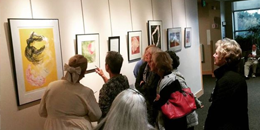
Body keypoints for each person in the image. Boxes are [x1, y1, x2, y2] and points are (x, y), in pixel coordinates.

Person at [39, 54, 102, 130]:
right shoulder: (86, 92)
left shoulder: (51, 86)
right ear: (84, 71)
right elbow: (97, 115)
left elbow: (42, 112)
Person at [204, 38, 249, 130]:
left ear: (224, 57)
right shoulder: (233, 76)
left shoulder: (227, 80)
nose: (213, 55)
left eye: (216, 53)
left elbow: (217, 111)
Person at [166, 50, 203, 130]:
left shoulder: (175, 78)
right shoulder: (171, 75)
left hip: (185, 118)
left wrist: (197, 103)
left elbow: (188, 93)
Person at [151, 52, 187, 130]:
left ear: (158, 64)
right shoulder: (162, 78)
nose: (150, 63)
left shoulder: (169, 81)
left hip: (174, 123)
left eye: (152, 61)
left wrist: (156, 101)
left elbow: (161, 104)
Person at [95, 51, 129, 121]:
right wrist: (103, 76)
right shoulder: (124, 79)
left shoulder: (106, 88)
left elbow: (102, 113)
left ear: (107, 66)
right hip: (124, 119)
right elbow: (114, 84)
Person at [135, 45, 161, 126]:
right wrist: (143, 86)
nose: (146, 54)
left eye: (148, 53)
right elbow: (137, 84)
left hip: (153, 102)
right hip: (143, 100)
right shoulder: (143, 66)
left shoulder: (156, 69)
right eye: (146, 52)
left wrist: (143, 85)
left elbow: (152, 88)